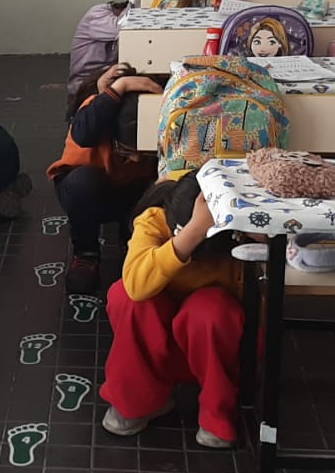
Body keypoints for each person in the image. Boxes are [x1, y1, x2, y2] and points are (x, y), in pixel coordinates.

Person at [100, 176, 244, 446]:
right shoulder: (154, 219)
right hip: (152, 339)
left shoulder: (239, 230)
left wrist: (264, 238)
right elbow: (136, 285)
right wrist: (193, 233)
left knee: (212, 310)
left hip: (212, 346)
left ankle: (216, 412)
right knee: (127, 297)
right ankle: (137, 401)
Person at [49, 63, 161, 294]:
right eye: (126, 150)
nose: (135, 159)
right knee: (82, 182)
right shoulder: (97, 113)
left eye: (142, 152)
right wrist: (119, 87)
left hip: (132, 193)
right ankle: (86, 254)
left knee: (162, 186)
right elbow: (83, 133)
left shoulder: (159, 115)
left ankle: (131, 240)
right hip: (88, 194)